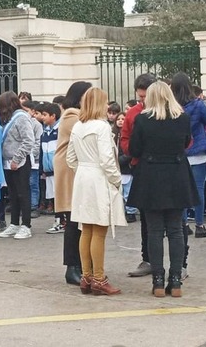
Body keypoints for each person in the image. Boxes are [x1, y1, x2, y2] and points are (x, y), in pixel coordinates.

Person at [128, 82, 198, 298]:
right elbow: (187, 142)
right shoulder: (183, 118)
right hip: (176, 173)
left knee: (155, 230)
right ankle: (175, 280)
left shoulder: (142, 119)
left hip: (151, 174)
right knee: (176, 230)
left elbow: (134, 149)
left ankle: (158, 280)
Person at [67, 87, 126, 296]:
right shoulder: (101, 127)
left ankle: (86, 276)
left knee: (86, 229)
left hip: (83, 177)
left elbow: (70, 158)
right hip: (98, 178)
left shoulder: (77, 126)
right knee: (99, 230)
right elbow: (107, 159)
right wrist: (116, 180)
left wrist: (83, 169)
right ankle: (99, 278)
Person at [54, 81, 92, 285]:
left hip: (75, 169)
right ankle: (72, 266)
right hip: (70, 172)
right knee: (73, 220)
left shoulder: (77, 115)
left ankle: (82, 264)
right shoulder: (72, 115)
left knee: (79, 220)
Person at [119, 73, 157, 278]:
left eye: (145, 97)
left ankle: (178, 262)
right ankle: (148, 258)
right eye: (139, 97)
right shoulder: (133, 113)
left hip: (162, 168)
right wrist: (132, 151)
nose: (142, 101)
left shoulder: (169, 111)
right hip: (140, 166)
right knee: (146, 216)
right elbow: (124, 139)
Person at [171, 73, 206, 239]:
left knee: (181, 189)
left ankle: (183, 224)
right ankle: (199, 225)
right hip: (198, 150)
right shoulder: (198, 105)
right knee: (198, 189)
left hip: (180, 151)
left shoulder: (172, 106)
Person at [0, 91, 37, 239]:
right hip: (8, 162)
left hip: (20, 162)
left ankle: (26, 225)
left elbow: (28, 140)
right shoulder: (9, 119)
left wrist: (16, 159)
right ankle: (14, 224)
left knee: (23, 194)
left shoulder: (21, 118)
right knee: (12, 194)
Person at [36, 102, 60, 218]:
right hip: (48, 170)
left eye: (45, 115)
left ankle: (61, 221)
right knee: (53, 196)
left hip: (57, 170)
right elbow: (42, 152)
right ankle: (58, 220)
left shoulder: (60, 130)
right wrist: (42, 168)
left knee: (60, 197)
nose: (42, 117)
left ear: (53, 116)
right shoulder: (45, 132)